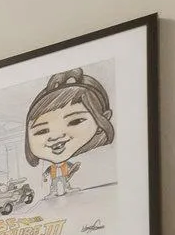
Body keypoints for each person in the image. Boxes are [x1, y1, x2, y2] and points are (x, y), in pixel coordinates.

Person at [23, 68, 114, 198]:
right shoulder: (53, 166)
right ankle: (54, 191)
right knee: (56, 183)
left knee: (63, 182)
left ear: (101, 121)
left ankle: (65, 188)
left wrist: (74, 168)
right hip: (57, 180)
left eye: (75, 121)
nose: (55, 136)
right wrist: (45, 175)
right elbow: (49, 171)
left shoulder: (101, 160)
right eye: (42, 131)